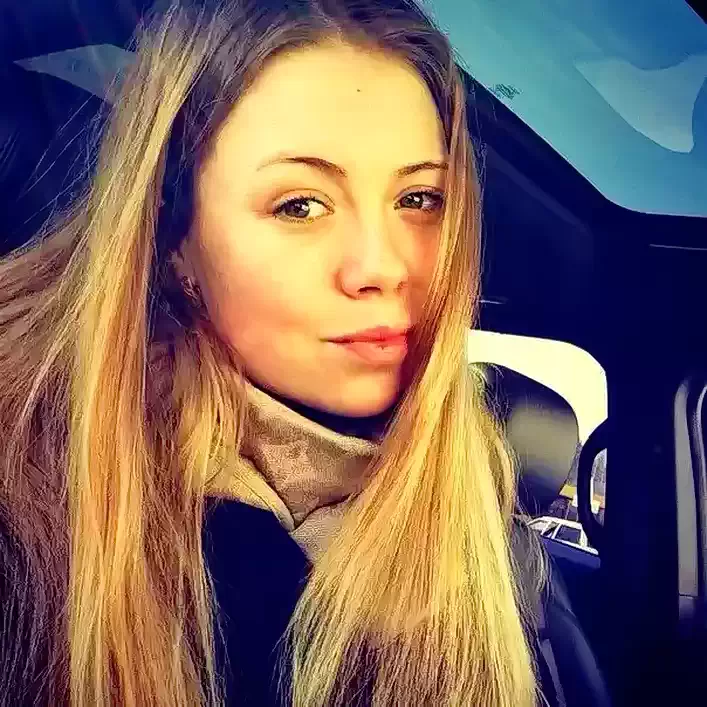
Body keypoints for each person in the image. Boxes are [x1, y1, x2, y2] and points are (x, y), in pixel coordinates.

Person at [0, 1, 610, 706]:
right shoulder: (33, 516)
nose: (381, 267)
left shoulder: (492, 535)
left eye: (419, 198)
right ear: (176, 244)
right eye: (300, 205)